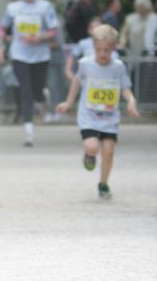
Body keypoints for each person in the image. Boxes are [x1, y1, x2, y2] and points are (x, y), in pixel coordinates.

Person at [55, 24, 139, 200]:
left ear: (114, 48)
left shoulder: (118, 67)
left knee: (108, 152)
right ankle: (89, 155)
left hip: (110, 117)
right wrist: (68, 102)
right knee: (92, 146)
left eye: (107, 50)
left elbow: (125, 88)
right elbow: (76, 83)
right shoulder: (85, 64)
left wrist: (131, 100)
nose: (103, 54)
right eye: (99, 49)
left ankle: (103, 183)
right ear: (93, 47)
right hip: (89, 116)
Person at [0, 0, 58, 147]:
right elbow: (3, 29)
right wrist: (1, 46)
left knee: (37, 91)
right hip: (20, 55)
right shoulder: (13, 8)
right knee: (25, 91)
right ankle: (29, 132)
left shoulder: (45, 6)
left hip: (40, 55)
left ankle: (42, 95)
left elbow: (54, 30)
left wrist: (40, 37)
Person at [118, 0, 157, 78]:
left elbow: (152, 36)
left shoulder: (153, 19)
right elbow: (124, 34)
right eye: (138, 7)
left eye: (141, 7)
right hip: (132, 52)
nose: (139, 9)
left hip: (147, 53)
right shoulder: (130, 18)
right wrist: (122, 43)